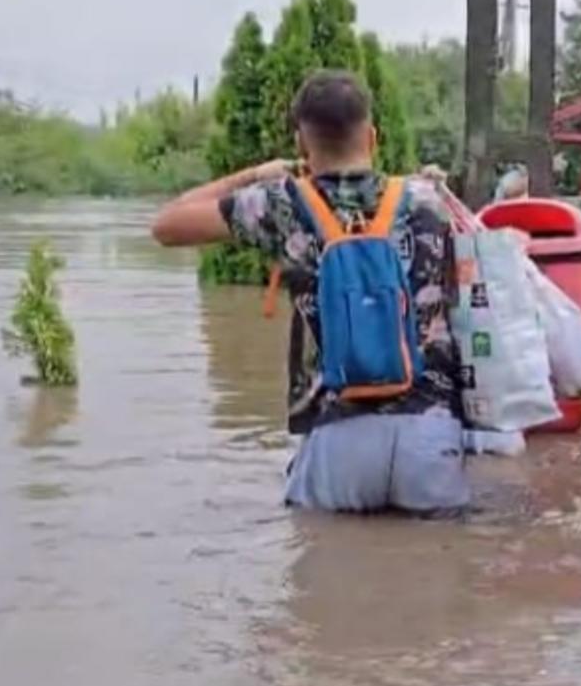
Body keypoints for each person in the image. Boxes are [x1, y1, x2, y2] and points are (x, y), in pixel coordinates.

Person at [150, 70, 468, 515]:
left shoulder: (279, 204)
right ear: (372, 137)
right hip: (430, 436)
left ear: (302, 144)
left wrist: (257, 173)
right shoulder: (428, 200)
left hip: (337, 440)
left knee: (320, 568)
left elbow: (166, 224)